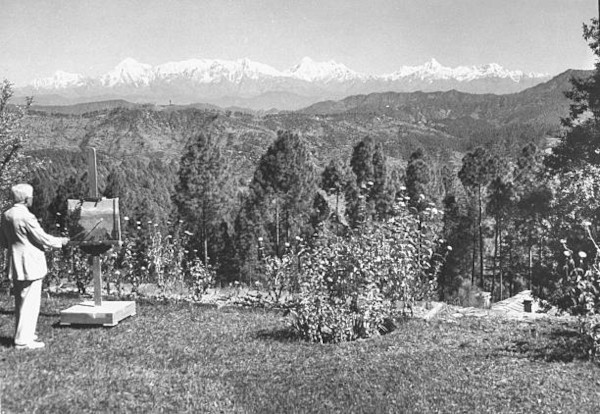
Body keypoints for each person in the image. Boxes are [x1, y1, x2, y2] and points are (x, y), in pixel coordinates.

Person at [0, 183, 69, 350]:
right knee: (30, 302)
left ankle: (24, 333)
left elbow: (4, 240)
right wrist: (61, 242)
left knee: (21, 301)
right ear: (26, 199)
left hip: (15, 261)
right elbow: (42, 237)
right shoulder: (26, 217)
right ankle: (24, 341)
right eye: (31, 197)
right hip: (30, 262)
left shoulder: (6, 214)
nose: (32, 199)